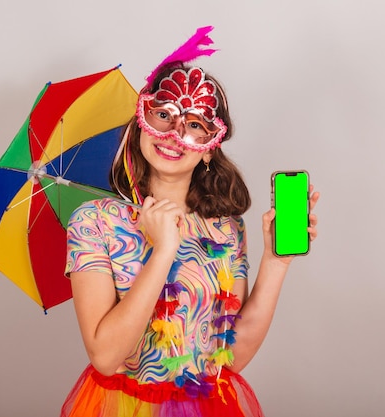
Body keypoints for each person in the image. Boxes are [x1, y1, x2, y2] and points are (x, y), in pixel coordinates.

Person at [61, 29, 319, 417]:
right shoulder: (95, 223)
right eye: (163, 115)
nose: (174, 134)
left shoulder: (226, 229)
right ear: (140, 122)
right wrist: (163, 250)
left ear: (211, 148)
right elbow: (106, 357)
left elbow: (230, 359)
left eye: (195, 124)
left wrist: (275, 263)